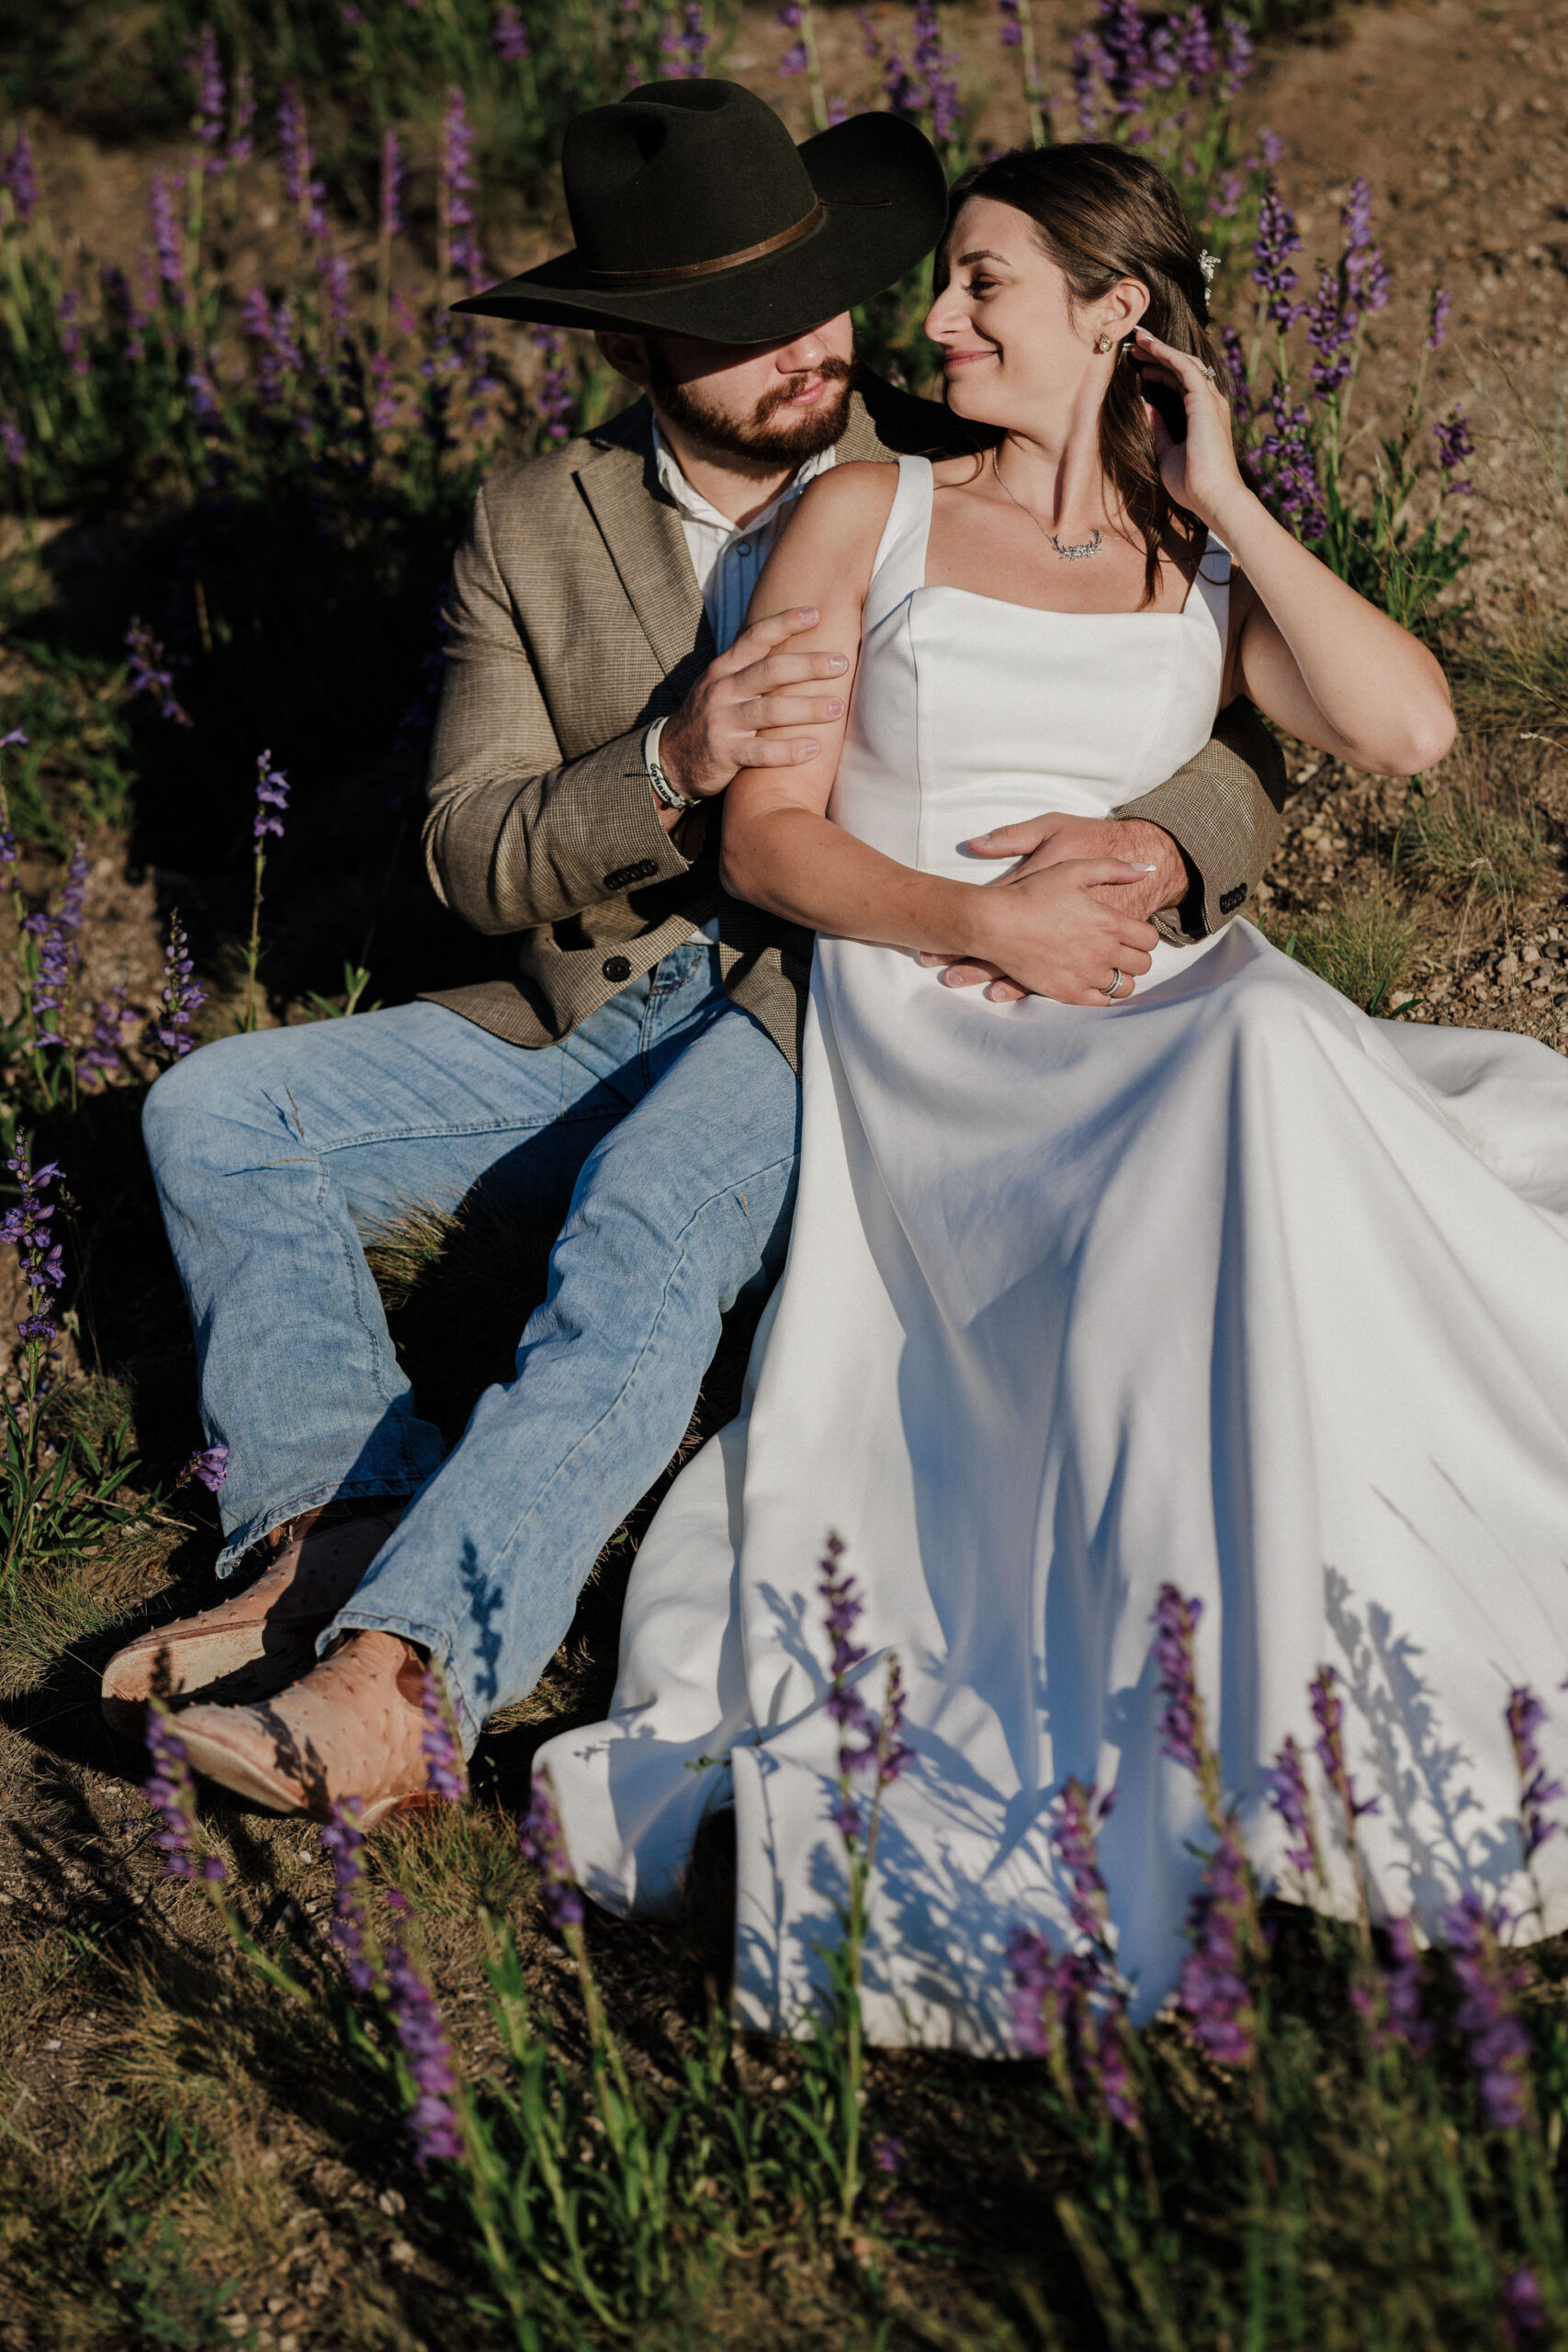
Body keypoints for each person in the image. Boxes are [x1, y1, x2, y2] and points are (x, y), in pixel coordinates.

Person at [104, 87, 1286, 1822]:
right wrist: (665, 765)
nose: (810, 342)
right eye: (740, 325)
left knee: (647, 1226)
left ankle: (415, 1674)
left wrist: (1165, 840)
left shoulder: (961, 437)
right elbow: (463, 848)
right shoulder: (534, 524)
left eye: (821, 291)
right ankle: (332, 1515)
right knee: (212, 1115)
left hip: (840, 998)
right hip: (582, 1004)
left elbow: (1217, 699)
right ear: (639, 347)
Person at [537, 141, 1568, 2050]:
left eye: (982, 284)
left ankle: (1352, 1678)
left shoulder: (1190, 561)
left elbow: (1406, 729)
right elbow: (767, 841)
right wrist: (982, 914)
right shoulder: (873, 508)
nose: (933, 321)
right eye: (942, 282)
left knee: (1309, 1063)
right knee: (1261, 1055)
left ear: (1113, 315)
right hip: (946, 1028)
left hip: (1158, 1007)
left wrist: (1232, 496)